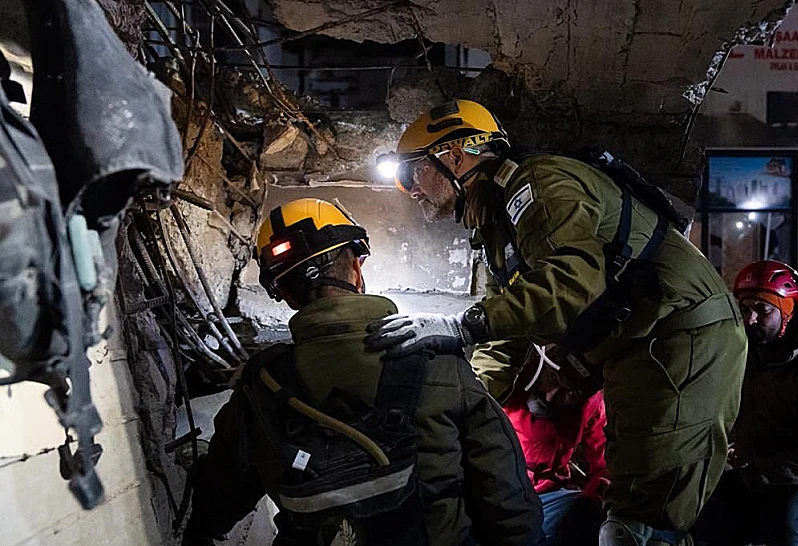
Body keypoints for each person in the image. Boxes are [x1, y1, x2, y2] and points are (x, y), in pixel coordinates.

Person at [365, 99, 748, 545]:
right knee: (631, 508)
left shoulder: (539, 185)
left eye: (412, 173)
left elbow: (569, 284)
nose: (410, 189)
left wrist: (461, 325)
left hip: (681, 336)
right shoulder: (497, 223)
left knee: (646, 515)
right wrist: (464, 398)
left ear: (453, 155)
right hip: (640, 345)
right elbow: (509, 334)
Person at [184, 198, 545, 546]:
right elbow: (506, 495)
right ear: (356, 267)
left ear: (287, 296)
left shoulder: (261, 388)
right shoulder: (436, 359)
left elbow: (216, 504)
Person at [694, 260, 798, 546]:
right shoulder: (742, 356)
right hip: (755, 473)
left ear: (788, 311)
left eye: (762, 310)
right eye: (744, 309)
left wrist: (762, 471)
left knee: (791, 520)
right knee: (705, 515)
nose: (750, 319)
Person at [501, 343, 609, 545]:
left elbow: (603, 464)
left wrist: (594, 497)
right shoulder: (509, 383)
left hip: (549, 496)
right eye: (553, 379)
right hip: (503, 493)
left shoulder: (590, 405)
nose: (550, 396)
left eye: (568, 392)